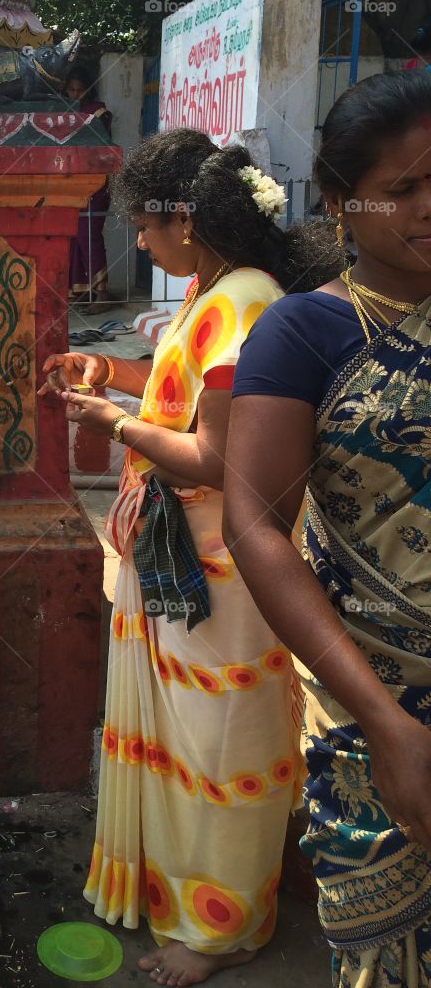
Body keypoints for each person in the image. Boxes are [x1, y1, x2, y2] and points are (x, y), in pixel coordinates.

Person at [39, 128, 342, 986]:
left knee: (217, 747)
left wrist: (112, 427)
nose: (137, 240)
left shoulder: (243, 301)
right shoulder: (216, 291)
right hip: (183, 563)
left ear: (188, 220)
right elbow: (183, 383)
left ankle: (225, 931)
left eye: (145, 223)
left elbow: (217, 460)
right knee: (185, 739)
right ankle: (185, 894)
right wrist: (107, 368)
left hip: (222, 575)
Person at [223, 69, 431, 988]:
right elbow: (257, 527)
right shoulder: (305, 333)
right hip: (373, 703)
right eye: (405, 189)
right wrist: (388, 727)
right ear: (346, 205)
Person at [66, 67, 112, 301]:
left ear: (88, 91)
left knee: (88, 235)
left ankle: (102, 292)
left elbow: (102, 148)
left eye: (79, 90)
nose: (75, 95)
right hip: (72, 183)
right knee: (73, 235)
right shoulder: (63, 113)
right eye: (71, 90)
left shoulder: (98, 113)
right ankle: (82, 291)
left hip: (96, 183)